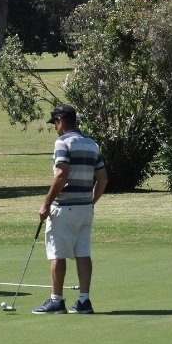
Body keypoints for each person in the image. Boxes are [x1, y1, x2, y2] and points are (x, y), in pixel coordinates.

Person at [33, 105, 109, 314]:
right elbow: (102, 179)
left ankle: (56, 301)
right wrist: (90, 202)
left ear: (61, 120)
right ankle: (84, 301)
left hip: (64, 208)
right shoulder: (91, 144)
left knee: (57, 254)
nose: (55, 128)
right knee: (83, 252)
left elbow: (61, 175)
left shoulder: (62, 142)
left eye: (55, 123)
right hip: (85, 208)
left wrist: (46, 204)